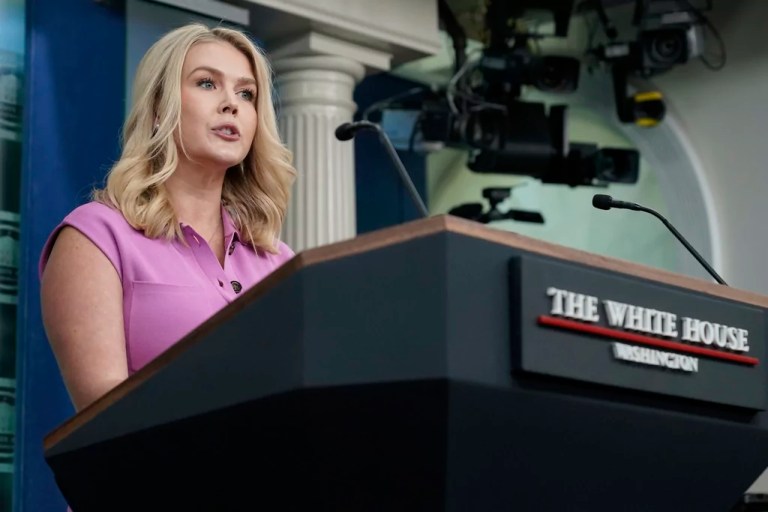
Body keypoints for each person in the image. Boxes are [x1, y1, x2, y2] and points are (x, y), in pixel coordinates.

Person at [38, 22, 297, 414]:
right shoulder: (96, 237)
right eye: (207, 84)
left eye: (247, 93)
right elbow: (104, 414)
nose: (232, 103)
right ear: (159, 109)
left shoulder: (279, 260)